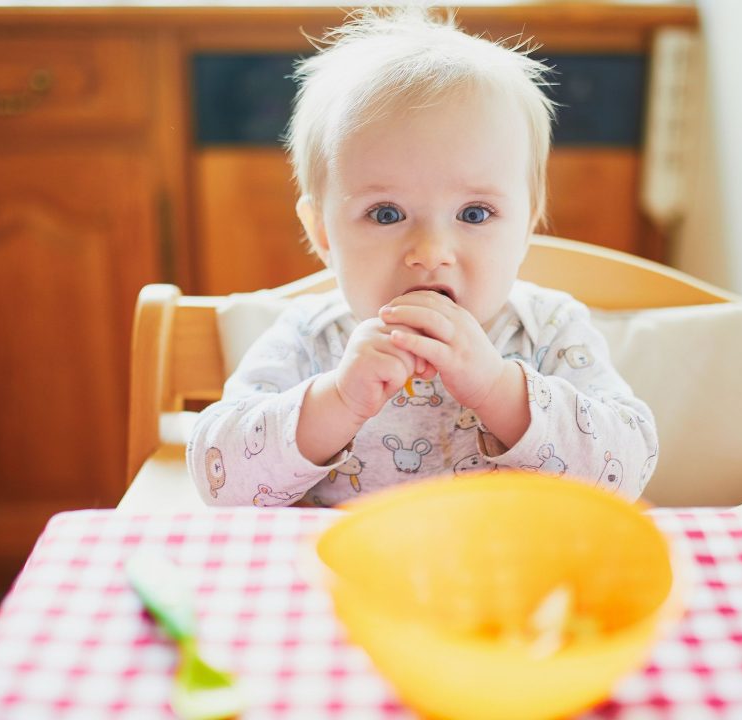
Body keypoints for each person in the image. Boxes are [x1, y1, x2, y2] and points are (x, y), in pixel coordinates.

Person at [187, 6, 658, 507]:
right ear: (322, 232)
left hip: (506, 578)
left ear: (527, 225)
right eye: (386, 214)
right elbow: (218, 479)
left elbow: (626, 472)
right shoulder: (308, 339)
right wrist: (337, 402)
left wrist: (500, 390)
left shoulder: (548, 331)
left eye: (475, 214)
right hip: (351, 576)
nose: (430, 253)